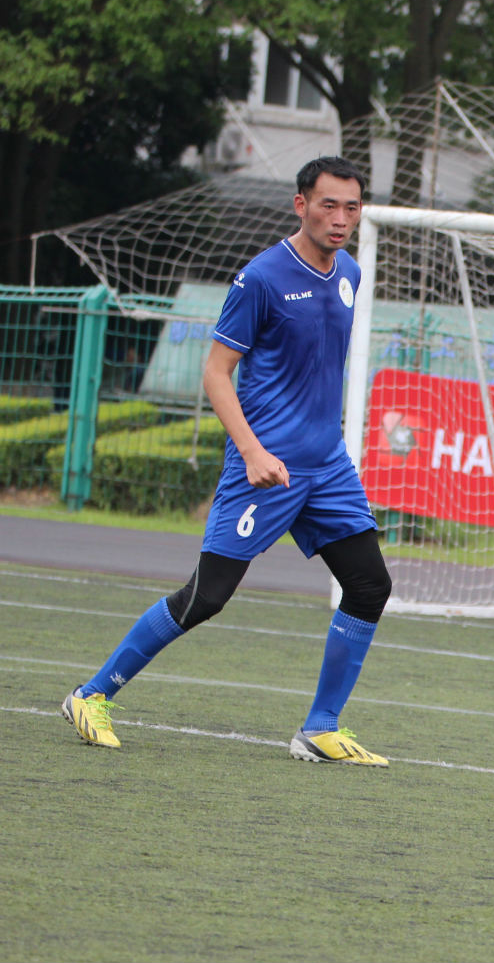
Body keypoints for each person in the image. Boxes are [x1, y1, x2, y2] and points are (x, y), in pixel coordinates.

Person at [61, 157, 394, 767]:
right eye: (328, 205)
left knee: (371, 584)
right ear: (301, 205)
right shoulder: (261, 278)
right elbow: (216, 372)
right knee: (207, 597)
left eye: (351, 207)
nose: (341, 218)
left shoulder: (349, 271)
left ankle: (320, 727)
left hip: (327, 468)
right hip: (263, 467)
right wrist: (253, 451)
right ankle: (91, 695)